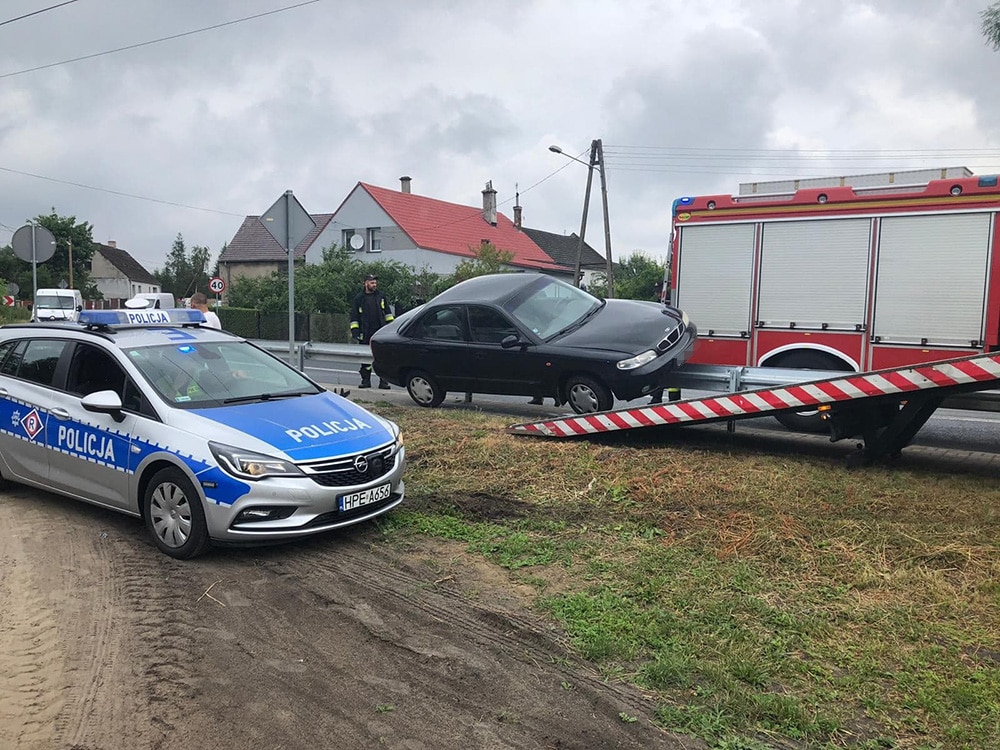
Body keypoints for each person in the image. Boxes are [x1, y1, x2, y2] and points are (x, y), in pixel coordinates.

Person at [349, 274, 394, 389]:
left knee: (382, 358)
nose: (374, 285)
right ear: (365, 283)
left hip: (380, 332)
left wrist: (391, 328)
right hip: (365, 333)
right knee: (365, 359)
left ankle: (383, 381)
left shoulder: (380, 296)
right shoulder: (359, 298)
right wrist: (356, 332)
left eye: (375, 283)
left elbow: (388, 313)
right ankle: (365, 381)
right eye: (372, 282)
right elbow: (354, 317)